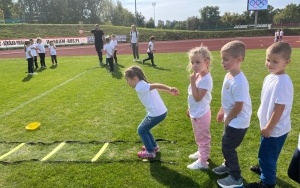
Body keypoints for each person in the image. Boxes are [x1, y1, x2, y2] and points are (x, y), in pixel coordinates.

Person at [249, 41, 293, 188]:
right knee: (266, 152)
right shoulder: (270, 77)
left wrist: (269, 127)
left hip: (275, 129)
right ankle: (264, 169)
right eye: (268, 60)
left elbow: (280, 108)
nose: (270, 64)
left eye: (275, 61)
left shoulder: (283, 82)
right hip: (268, 126)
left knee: (266, 155)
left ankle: (267, 183)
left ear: (286, 62)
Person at [212, 40, 252, 188]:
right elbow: (227, 97)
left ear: (239, 59)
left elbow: (239, 106)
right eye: (222, 59)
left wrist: (228, 118)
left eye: (226, 59)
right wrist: (222, 110)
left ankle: (236, 177)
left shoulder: (239, 81)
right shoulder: (228, 75)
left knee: (228, 147)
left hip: (238, 120)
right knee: (226, 144)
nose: (223, 62)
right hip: (232, 119)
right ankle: (228, 165)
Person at [124, 66, 180, 159]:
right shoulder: (143, 84)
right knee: (145, 129)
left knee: (141, 130)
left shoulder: (140, 86)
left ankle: (150, 152)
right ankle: (154, 146)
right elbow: (156, 88)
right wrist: (168, 90)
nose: (127, 82)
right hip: (159, 112)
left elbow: (156, 86)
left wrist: (169, 88)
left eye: (128, 80)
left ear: (134, 78)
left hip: (156, 113)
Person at [186, 45, 213, 170]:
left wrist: (192, 81)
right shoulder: (199, 76)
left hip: (201, 113)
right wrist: (190, 109)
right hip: (196, 112)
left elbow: (197, 97)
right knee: (198, 135)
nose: (194, 65)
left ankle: (203, 161)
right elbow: (193, 97)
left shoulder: (206, 79)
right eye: (192, 62)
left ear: (206, 62)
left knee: (203, 137)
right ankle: (201, 152)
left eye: (198, 62)